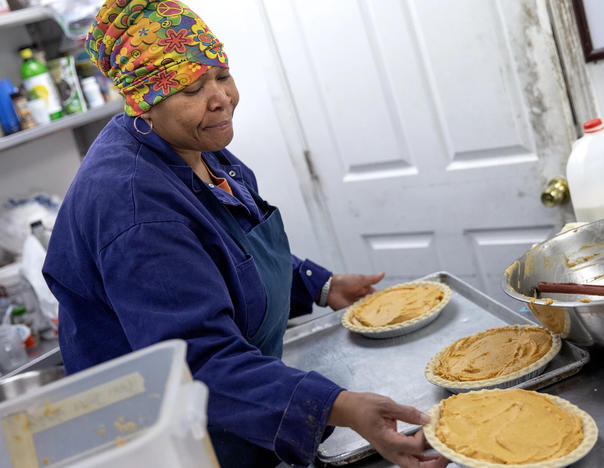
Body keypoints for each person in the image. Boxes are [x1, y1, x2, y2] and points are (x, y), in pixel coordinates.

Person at [42, 1, 448, 467]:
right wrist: (338, 406)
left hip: (234, 412)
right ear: (143, 102)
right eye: (192, 88)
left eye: (222, 74)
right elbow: (198, 363)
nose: (221, 98)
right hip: (175, 442)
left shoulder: (192, 146)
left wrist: (317, 284)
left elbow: (225, 246)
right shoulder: (137, 211)